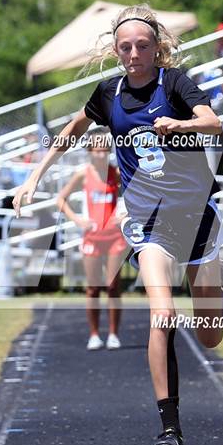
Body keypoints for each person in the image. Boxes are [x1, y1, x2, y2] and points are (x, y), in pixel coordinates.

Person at [13, 3, 223, 445]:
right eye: (124, 47)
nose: (132, 54)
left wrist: (181, 124)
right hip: (148, 223)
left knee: (210, 336)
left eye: (142, 46)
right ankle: (171, 429)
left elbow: (213, 123)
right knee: (161, 315)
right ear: (115, 49)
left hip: (194, 217)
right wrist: (33, 179)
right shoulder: (108, 93)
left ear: (157, 47)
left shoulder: (176, 84)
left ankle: (222, 277)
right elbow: (69, 131)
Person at [56, 131, 128, 351]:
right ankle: (94, 334)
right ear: (89, 152)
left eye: (104, 149)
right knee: (93, 288)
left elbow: (136, 192)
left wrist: (125, 213)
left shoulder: (115, 173)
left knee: (112, 285)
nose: (100, 153)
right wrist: (78, 219)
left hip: (114, 237)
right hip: (92, 237)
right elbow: (60, 199)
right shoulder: (83, 175)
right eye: (96, 150)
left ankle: (114, 334)